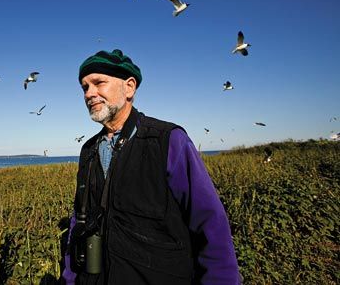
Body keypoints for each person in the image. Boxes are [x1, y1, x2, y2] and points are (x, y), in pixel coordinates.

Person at [61, 49, 240, 284]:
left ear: (129, 87)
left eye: (98, 83)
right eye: (85, 87)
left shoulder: (168, 140)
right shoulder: (89, 150)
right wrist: (69, 278)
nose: (89, 94)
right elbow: (79, 219)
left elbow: (210, 223)